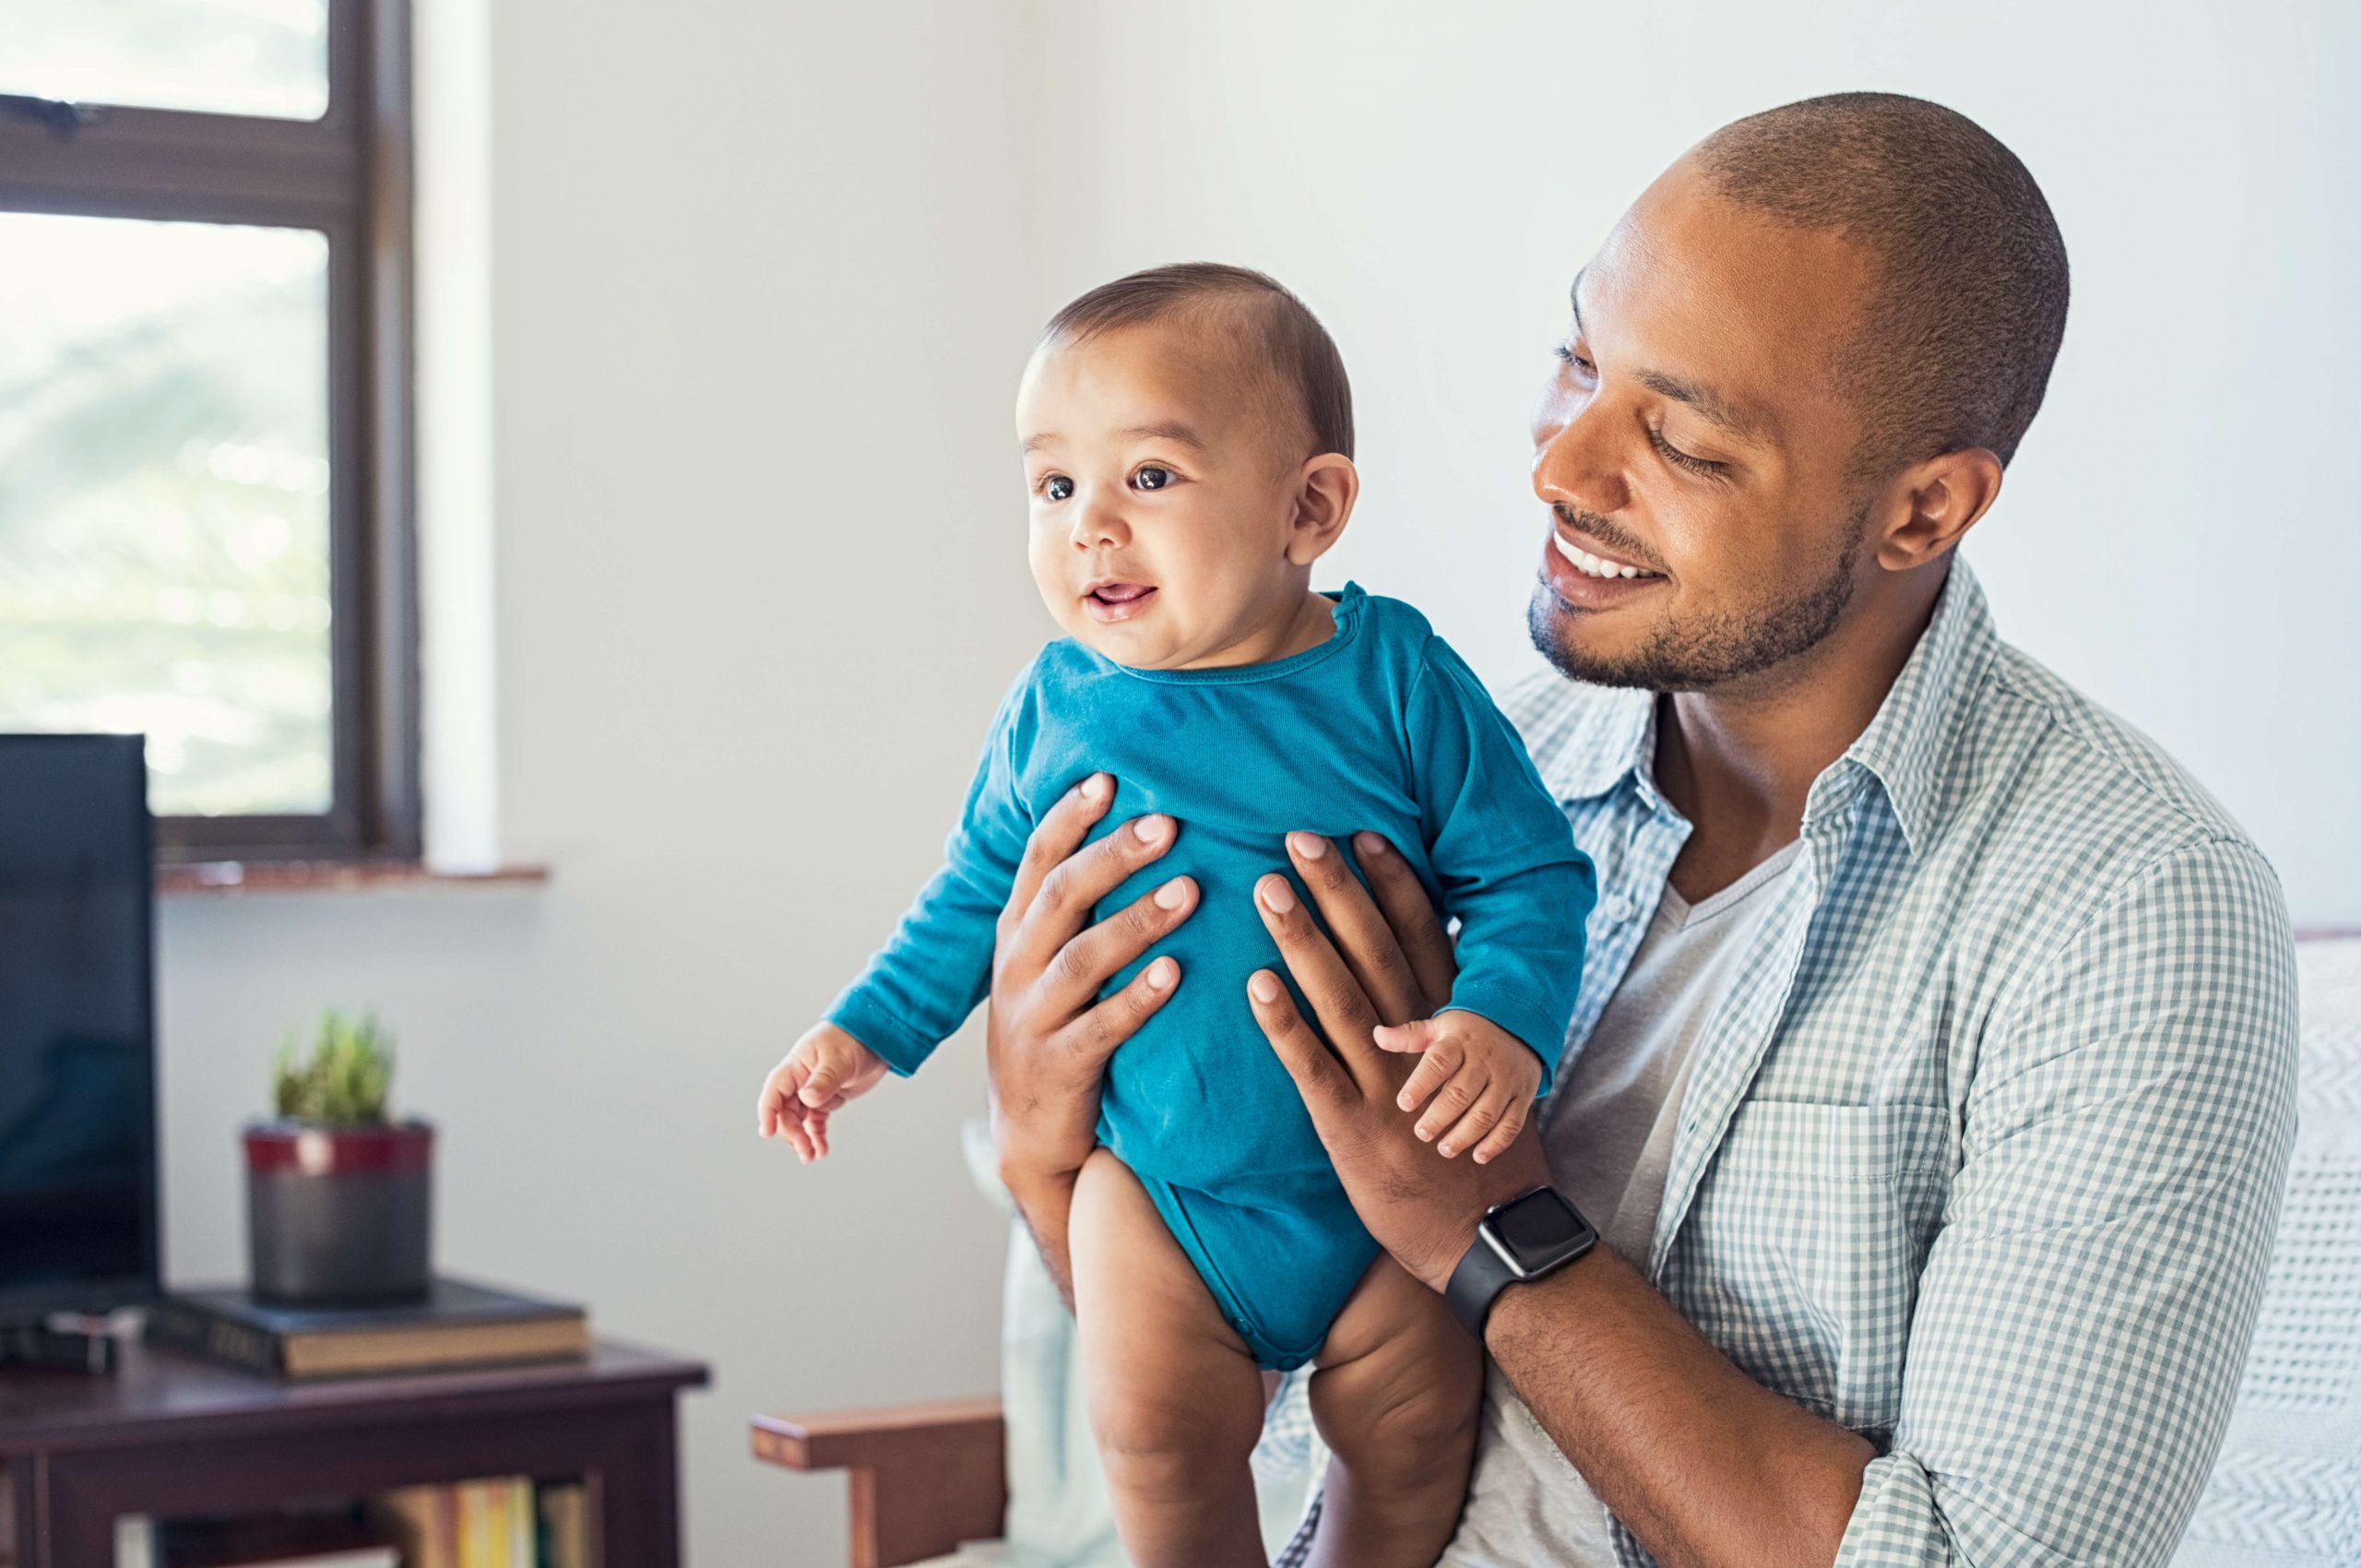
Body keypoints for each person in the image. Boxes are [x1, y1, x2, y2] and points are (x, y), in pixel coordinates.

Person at [984, 92, 2299, 1568]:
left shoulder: (2132, 911)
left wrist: (1495, 1231)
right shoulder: (1471, 773)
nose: (1560, 468)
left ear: (1923, 510)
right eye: (1578, 361)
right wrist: (1050, 1153)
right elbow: (1257, 1353)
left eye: (1676, 435)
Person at [754, 263, 1598, 1568]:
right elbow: (973, 896)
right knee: (1151, 1438)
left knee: (1414, 1432)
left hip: (1390, 1202)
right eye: (1053, 485)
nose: (1090, 526)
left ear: (1308, 507)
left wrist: (1502, 1020)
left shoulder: (1395, 676)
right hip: (1160, 1204)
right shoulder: (1055, 705)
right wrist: (860, 1034)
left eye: (1147, 477)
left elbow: (1530, 875)